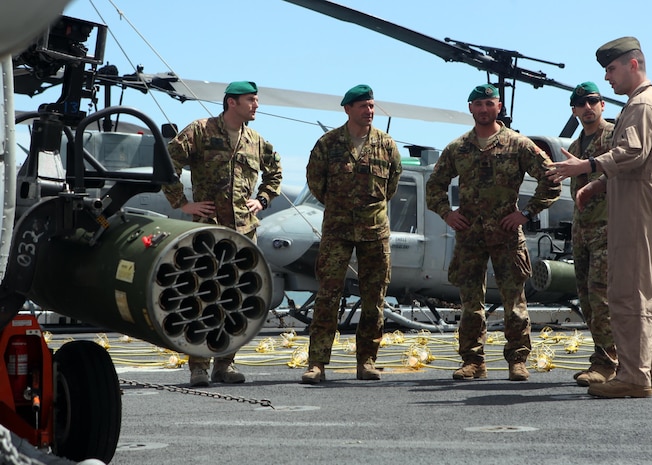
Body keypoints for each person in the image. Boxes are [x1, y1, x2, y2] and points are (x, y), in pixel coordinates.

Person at [548, 37, 652, 398]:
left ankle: (634, 377)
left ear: (633, 64)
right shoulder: (642, 102)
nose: (607, 77)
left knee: (627, 293)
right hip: (632, 195)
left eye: (612, 69)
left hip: (636, 201)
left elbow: (633, 152)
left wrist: (586, 166)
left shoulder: (642, 105)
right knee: (642, 293)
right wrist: (596, 186)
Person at [426, 84, 560, 382]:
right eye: (478, 104)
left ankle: (517, 361)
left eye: (489, 103)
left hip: (507, 234)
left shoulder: (518, 144)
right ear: (470, 108)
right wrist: (448, 213)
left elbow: (551, 179)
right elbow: (433, 186)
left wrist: (526, 213)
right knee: (470, 303)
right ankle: (473, 362)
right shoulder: (457, 148)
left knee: (515, 303)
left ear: (498, 107)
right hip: (469, 236)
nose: (484, 109)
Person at [163, 80, 282, 387]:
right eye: (251, 100)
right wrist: (183, 204)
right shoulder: (201, 131)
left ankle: (225, 365)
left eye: (256, 100)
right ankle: (199, 367)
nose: (256, 105)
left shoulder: (255, 141)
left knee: (236, 297)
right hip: (208, 231)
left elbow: (275, 171)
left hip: (243, 232)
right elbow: (167, 162)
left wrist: (263, 199)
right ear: (232, 103)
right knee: (201, 294)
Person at [301, 84, 402, 384]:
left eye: (371, 106)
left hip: (375, 231)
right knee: (328, 296)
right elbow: (315, 182)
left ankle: (367, 361)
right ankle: (317, 363)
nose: (369, 111)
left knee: (375, 298)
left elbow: (391, 185)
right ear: (348, 109)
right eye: (363, 106)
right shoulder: (328, 144)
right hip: (337, 230)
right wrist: (341, 206)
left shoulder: (386, 145)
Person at [566, 82, 617, 386]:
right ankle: (604, 355)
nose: (587, 107)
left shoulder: (614, 138)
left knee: (602, 296)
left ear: (602, 105)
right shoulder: (573, 148)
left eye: (592, 101)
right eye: (580, 103)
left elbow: (626, 172)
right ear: (573, 110)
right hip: (582, 232)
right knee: (586, 297)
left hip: (608, 228)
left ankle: (608, 363)